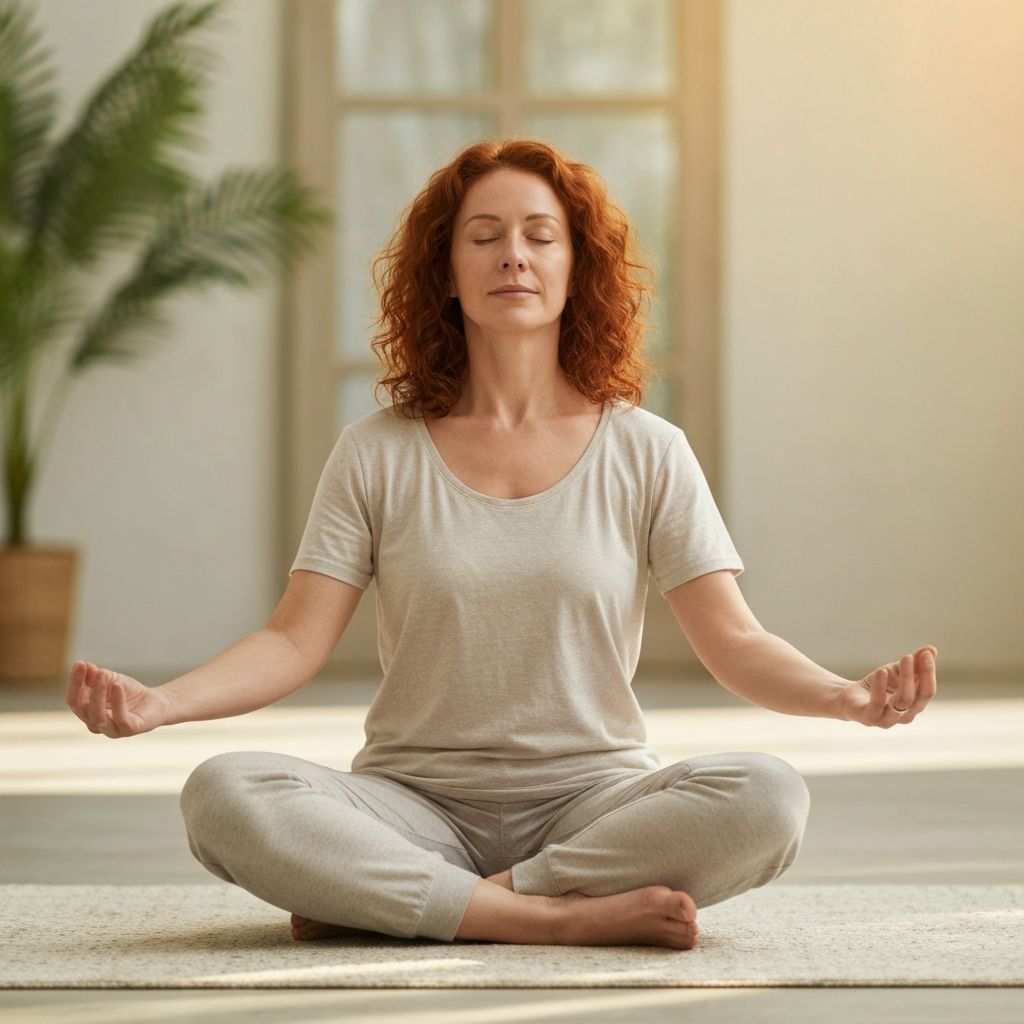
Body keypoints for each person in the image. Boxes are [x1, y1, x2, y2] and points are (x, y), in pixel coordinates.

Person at [65, 138, 938, 950]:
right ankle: (551, 919)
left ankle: (427, 902)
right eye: (483, 237)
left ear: (575, 268)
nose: (512, 256)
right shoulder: (376, 452)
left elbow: (735, 640)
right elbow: (294, 640)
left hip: (595, 808)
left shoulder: (648, 450)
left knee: (769, 796)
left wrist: (845, 698)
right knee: (223, 794)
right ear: (446, 272)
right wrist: (160, 705)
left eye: (539, 237)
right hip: (410, 806)